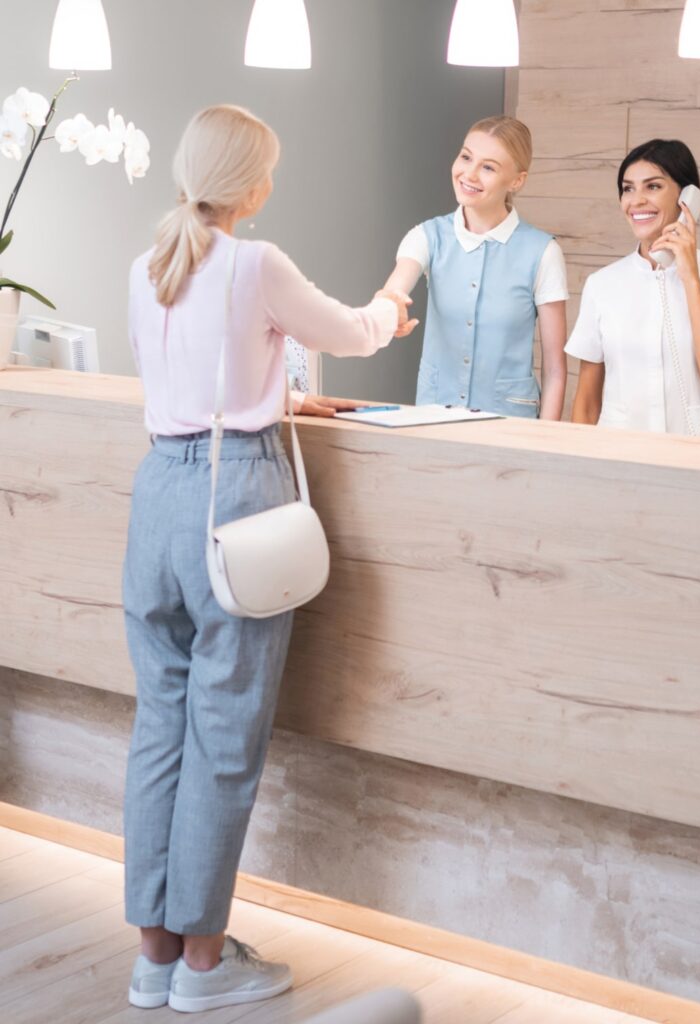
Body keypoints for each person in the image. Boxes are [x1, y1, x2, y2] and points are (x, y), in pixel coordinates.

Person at [122, 104, 409, 1014]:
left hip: (157, 499)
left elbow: (199, 377)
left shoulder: (146, 265)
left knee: (160, 727)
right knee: (225, 737)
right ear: (242, 180)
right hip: (233, 497)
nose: (272, 186)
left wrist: (267, 386)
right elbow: (351, 332)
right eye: (268, 170)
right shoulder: (255, 261)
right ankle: (205, 965)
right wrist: (395, 308)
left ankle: (155, 956)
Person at [381, 115, 568, 420]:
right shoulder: (426, 237)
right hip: (435, 421)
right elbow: (396, 287)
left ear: (517, 180)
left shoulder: (543, 252)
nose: (469, 173)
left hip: (511, 425)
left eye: (488, 167)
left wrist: (544, 443)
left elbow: (556, 370)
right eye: (466, 157)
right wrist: (389, 307)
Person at [568, 139, 700, 437]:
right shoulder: (602, 284)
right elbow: (587, 403)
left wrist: (690, 276)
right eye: (628, 188)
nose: (637, 200)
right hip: (621, 452)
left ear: (687, 198)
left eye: (653, 186)